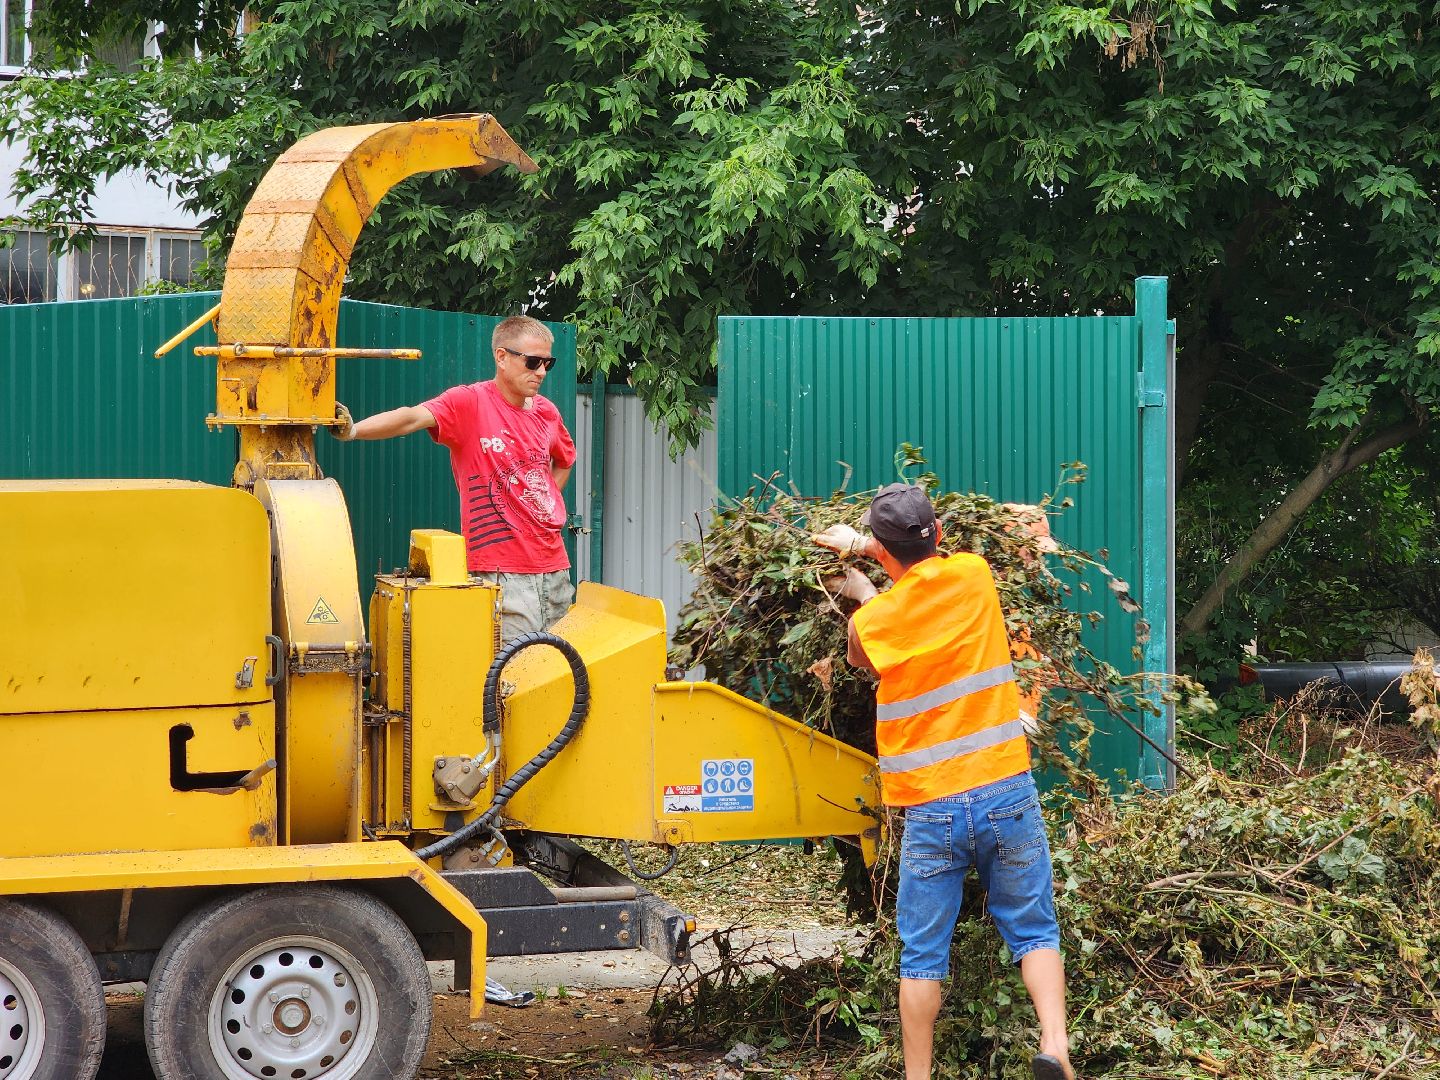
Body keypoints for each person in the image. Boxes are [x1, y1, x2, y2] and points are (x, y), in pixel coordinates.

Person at [813, 484, 1074, 1080]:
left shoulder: (872, 621)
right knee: (1033, 928)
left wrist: (860, 587)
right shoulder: (976, 576)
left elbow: (866, 654)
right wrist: (871, 550)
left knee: (924, 954)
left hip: (933, 810)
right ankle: (1055, 1045)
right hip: (1006, 790)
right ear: (935, 533)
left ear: (882, 548)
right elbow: (929, 575)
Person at [335, 315, 576, 643]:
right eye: (533, 362)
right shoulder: (470, 403)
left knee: (561, 672)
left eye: (548, 363)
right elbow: (411, 417)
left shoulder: (546, 411)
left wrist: (544, 503)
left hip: (555, 570)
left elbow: (565, 460)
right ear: (501, 356)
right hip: (499, 571)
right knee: (512, 676)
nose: (541, 373)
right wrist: (355, 430)